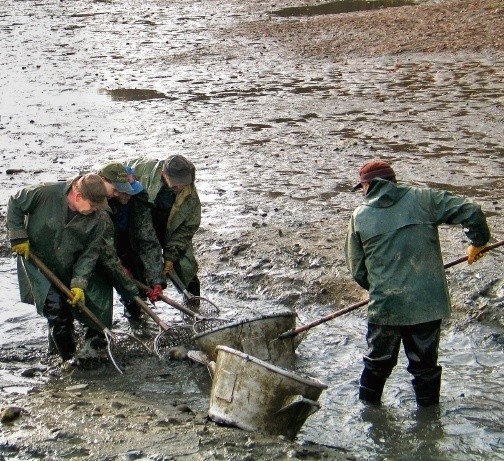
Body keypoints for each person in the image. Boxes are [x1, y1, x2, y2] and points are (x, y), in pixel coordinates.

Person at [345, 159, 491, 407]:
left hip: (386, 306)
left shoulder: (360, 217)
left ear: (368, 186)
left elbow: (357, 270)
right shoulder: (426, 199)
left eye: (361, 187)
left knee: (377, 364)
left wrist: (381, 286)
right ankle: (429, 416)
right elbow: (472, 211)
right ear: (393, 182)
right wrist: (478, 242)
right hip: (427, 304)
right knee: (425, 368)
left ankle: (368, 409)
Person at [7, 174, 111, 362]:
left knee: (67, 310)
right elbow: (15, 202)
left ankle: (54, 353)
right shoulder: (44, 193)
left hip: (66, 265)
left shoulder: (99, 219)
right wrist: (18, 236)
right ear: (78, 196)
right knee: (56, 311)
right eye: (93, 205)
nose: (96, 210)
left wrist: (78, 283)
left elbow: (89, 254)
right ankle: (70, 361)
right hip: (36, 262)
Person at [97, 162, 165, 320]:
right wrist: (119, 267)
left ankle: (138, 324)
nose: (128, 196)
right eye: (124, 192)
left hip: (129, 246)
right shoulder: (100, 202)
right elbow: (101, 245)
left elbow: (148, 240)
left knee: (137, 293)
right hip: (103, 251)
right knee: (102, 298)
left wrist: (156, 280)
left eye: (131, 192)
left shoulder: (138, 202)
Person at [128, 155, 201, 299]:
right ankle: (137, 313)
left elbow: (186, 228)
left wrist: (170, 256)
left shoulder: (189, 193)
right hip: (139, 225)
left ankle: (193, 306)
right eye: (175, 185)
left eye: (183, 184)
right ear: (163, 174)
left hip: (170, 226)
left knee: (187, 270)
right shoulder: (140, 173)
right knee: (138, 272)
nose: (179, 188)